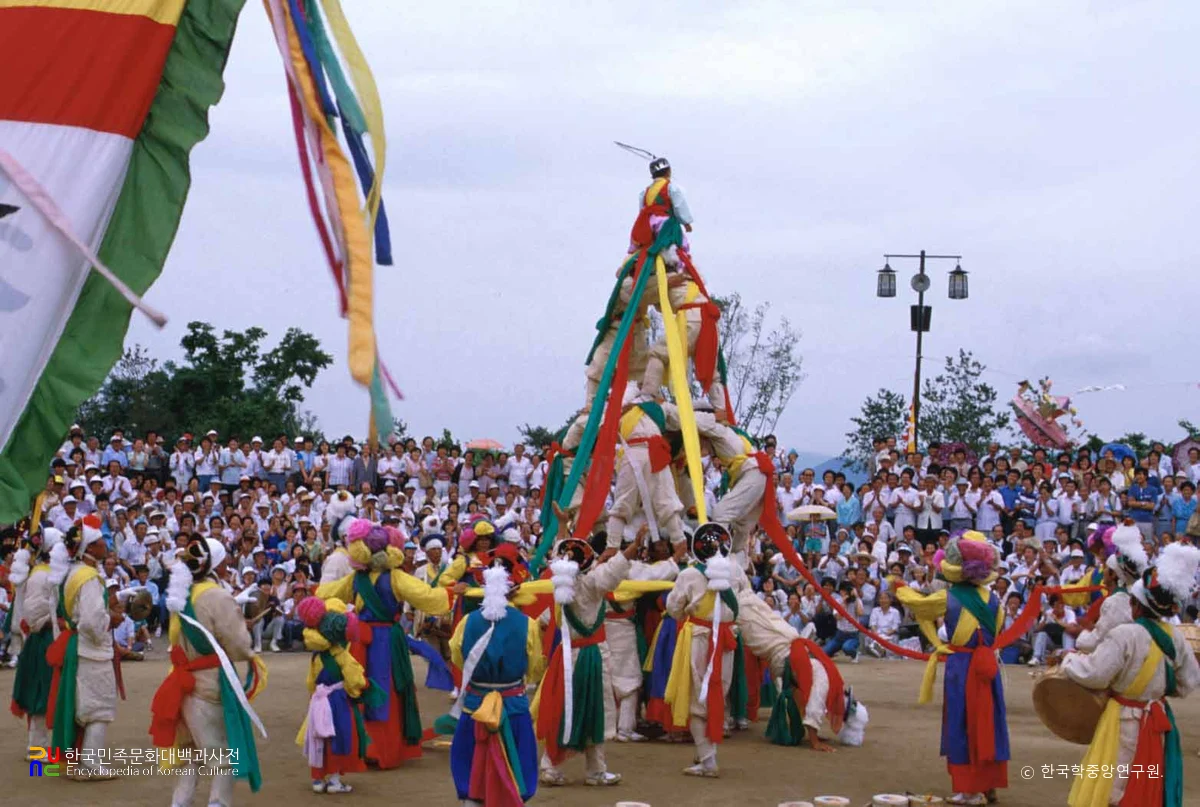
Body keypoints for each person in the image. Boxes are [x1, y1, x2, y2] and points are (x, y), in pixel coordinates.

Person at [1060, 542, 1200, 806]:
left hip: (1123, 718)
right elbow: (1189, 682)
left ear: (1137, 605)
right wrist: (1158, 690)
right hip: (1157, 718)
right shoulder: (1176, 638)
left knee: (1115, 784)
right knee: (1147, 781)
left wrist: (1069, 661)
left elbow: (1095, 674)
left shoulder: (1125, 634)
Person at [316, 519, 459, 769]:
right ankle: (384, 749)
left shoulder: (356, 580)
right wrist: (452, 591)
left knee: (359, 687)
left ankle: (362, 747)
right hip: (387, 639)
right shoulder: (395, 578)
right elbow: (428, 597)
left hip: (361, 640)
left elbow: (325, 594)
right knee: (389, 690)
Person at [894, 532, 1009, 806]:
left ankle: (969, 789)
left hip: (963, 666)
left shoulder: (949, 597)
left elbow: (919, 606)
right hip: (987, 667)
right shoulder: (994, 600)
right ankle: (988, 783)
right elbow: (998, 633)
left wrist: (898, 587)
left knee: (962, 722)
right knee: (988, 721)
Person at [150, 537, 267, 803]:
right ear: (216, 564)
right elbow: (239, 646)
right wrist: (243, 631)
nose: (228, 564)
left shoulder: (183, 594)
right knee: (222, 756)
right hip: (210, 683)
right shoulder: (216, 595)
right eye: (225, 560)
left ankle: (180, 803)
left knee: (191, 754)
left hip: (183, 681)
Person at [535, 534, 639, 787]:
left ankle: (558, 765)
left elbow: (544, 621)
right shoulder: (592, 585)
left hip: (568, 656)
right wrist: (636, 544)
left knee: (568, 708)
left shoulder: (561, 589)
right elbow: (614, 570)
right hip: (592, 654)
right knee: (596, 710)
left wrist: (560, 527)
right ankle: (589, 769)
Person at [448, 550, 544, 806]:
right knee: (518, 761)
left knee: (470, 757)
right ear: (515, 589)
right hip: (512, 703)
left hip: (476, 703)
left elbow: (458, 657)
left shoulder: (468, 621)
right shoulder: (528, 624)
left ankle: (472, 799)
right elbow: (534, 669)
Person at [663, 523, 747, 778]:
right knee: (717, 691)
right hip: (726, 638)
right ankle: (705, 752)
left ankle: (708, 760)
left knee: (696, 695)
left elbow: (673, 608)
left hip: (699, 637)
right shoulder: (735, 569)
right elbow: (743, 595)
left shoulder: (689, 574)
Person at [45, 516, 122, 779]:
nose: (105, 545)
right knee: (98, 706)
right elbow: (91, 621)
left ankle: (80, 762)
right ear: (90, 548)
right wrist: (111, 619)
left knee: (81, 705)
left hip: (78, 645)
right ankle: (91, 762)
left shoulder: (74, 573)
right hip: (92, 648)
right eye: (101, 542)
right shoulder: (89, 577)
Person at [735, 587, 851, 752]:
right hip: (784, 648)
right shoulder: (826, 679)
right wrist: (814, 741)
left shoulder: (824, 675)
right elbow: (814, 706)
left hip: (785, 646)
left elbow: (806, 701)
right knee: (747, 613)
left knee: (753, 613)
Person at [295, 596, 375, 794]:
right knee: (338, 736)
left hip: (319, 699)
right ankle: (334, 780)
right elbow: (355, 679)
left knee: (318, 737)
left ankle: (317, 779)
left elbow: (310, 681)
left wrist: (314, 696)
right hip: (337, 700)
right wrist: (360, 689)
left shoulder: (317, 656)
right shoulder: (341, 655)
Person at [607, 533, 680, 742]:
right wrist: (677, 557)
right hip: (627, 627)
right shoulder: (632, 570)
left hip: (604, 629)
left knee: (611, 678)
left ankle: (614, 725)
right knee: (631, 679)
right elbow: (653, 575)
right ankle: (624, 728)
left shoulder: (598, 571)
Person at [8, 528, 63, 756]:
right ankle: (38, 748)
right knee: (43, 691)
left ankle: (44, 746)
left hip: (51, 637)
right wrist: (58, 622)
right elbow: (33, 615)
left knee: (50, 690)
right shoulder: (41, 575)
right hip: (44, 639)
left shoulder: (50, 572)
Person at [1075, 523, 1148, 653]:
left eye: (1107, 568)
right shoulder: (1131, 596)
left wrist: (1084, 633)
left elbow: (1097, 640)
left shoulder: (1114, 602)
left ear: (1113, 573)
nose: (1104, 571)